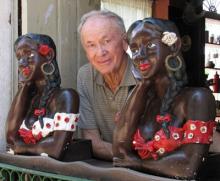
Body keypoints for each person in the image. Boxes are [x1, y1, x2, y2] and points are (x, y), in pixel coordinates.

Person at [112, 18, 216, 180]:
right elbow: (119, 153)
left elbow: (187, 167)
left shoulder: (197, 98)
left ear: (174, 46)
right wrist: (143, 84)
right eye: (135, 49)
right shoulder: (143, 99)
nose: (140, 55)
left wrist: (139, 164)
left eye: (150, 45)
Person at [6, 33, 79, 160]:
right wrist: (25, 85)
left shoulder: (66, 97)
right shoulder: (29, 99)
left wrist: (22, 148)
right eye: (19, 57)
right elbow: (10, 139)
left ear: (49, 55)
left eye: (28, 54)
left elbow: (56, 149)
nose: (22, 62)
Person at [77, 10, 137, 161]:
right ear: (86, 52)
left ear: (125, 42)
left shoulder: (144, 75)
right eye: (91, 45)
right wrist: (131, 160)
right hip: (114, 166)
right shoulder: (85, 76)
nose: (100, 52)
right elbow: (93, 143)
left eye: (106, 41)